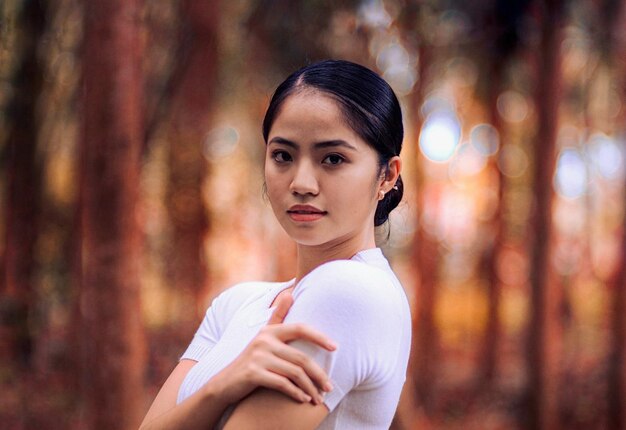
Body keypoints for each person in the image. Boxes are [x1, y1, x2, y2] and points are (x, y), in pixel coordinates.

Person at [139, 59, 411, 430]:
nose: (301, 183)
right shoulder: (237, 304)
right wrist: (223, 386)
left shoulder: (352, 292)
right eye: (283, 155)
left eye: (333, 158)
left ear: (386, 175)